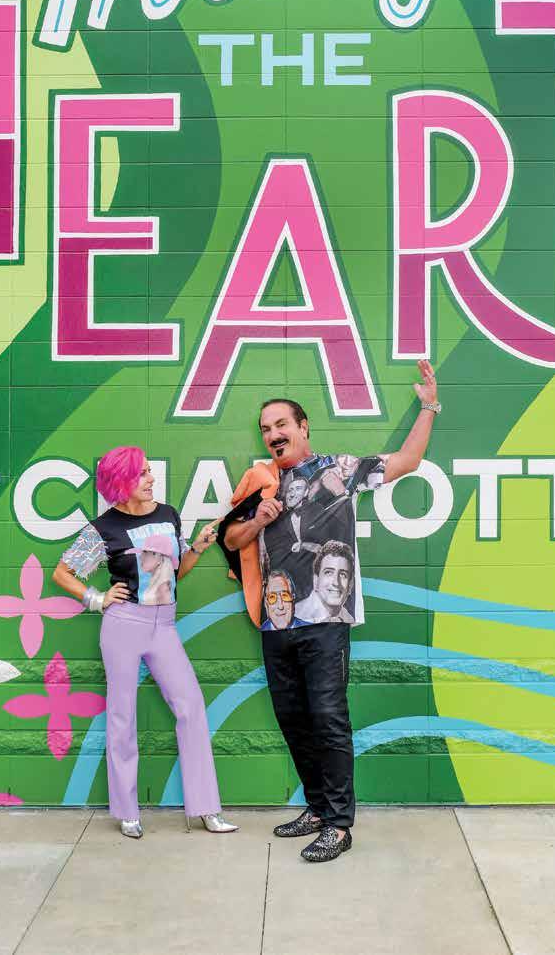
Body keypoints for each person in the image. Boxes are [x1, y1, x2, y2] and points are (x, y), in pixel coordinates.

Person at [223, 359, 439, 863]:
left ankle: (339, 826)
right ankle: (318, 809)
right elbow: (230, 540)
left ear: (303, 427)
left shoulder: (340, 469)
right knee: (293, 720)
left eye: (281, 424)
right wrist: (257, 521)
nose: (273, 435)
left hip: (325, 622)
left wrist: (429, 406)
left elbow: (407, 461)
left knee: (327, 718)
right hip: (276, 621)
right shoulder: (259, 482)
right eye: (266, 429)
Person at [52, 446, 238, 839]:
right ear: (121, 482)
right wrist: (97, 599)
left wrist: (198, 547)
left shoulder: (168, 514)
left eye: (150, 471)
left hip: (164, 626)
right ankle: (127, 811)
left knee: (191, 708)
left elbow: (175, 573)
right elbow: (62, 573)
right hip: (123, 625)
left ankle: (206, 808)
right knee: (122, 717)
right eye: (141, 474)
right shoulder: (104, 528)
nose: (151, 479)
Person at [295, 541, 354, 624]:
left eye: (343, 575)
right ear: (316, 581)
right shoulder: (296, 617)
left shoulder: (348, 618)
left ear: (350, 585)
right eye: (328, 572)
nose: (336, 583)